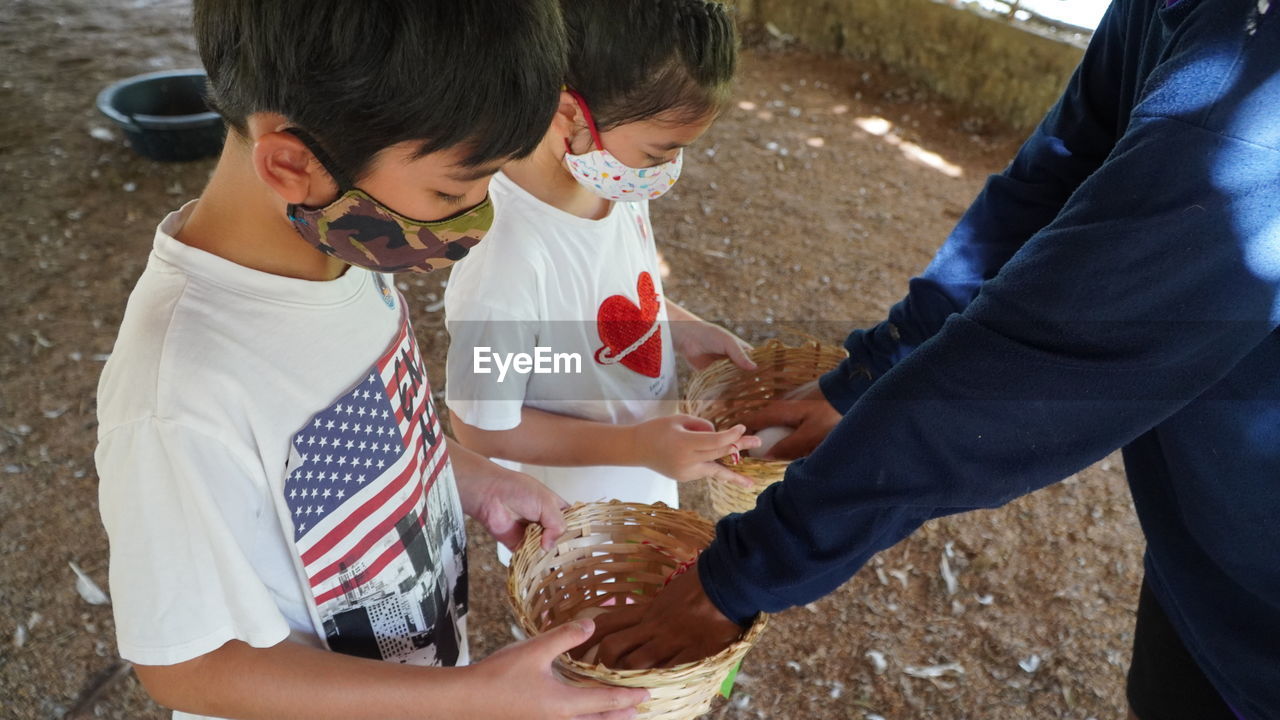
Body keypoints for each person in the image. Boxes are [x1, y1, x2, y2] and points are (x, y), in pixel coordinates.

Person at [586, 1, 1280, 718]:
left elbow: (1045, 354)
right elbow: (1054, 179)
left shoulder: (1259, 109)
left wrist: (740, 571)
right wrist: (870, 372)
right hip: (1207, 570)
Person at [93, 2, 647, 719]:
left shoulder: (344, 244)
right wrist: (466, 699)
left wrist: (471, 475)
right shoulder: (179, 392)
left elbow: (369, 430)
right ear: (293, 164)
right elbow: (189, 665)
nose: (480, 221)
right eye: (453, 190)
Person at [443, 0, 758, 546]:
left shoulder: (613, 181)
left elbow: (610, 291)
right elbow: (480, 425)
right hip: (572, 518)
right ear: (570, 113)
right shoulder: (508, 259)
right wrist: (636, 446)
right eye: (661, 152)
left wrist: (680, 327)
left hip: (644, 471)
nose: (667, 170)